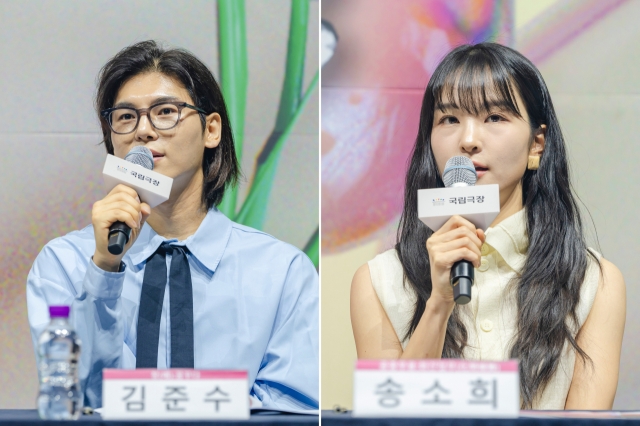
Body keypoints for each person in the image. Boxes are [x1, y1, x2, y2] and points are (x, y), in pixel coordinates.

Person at [26, 40, 318, 411]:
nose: (143, 131)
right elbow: (70, 399)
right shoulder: (63, 263)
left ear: (211, 130)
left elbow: (292, 408)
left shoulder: (281, 271)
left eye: (165, 112)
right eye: (126, 117)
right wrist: (104, 267)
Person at [350, 43, 625, 410]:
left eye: (494, 117)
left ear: (537, 144)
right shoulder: (380, 281)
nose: (468, 140)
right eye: (449, 119)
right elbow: (386, 417)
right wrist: (438, 304)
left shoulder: (593, 281)